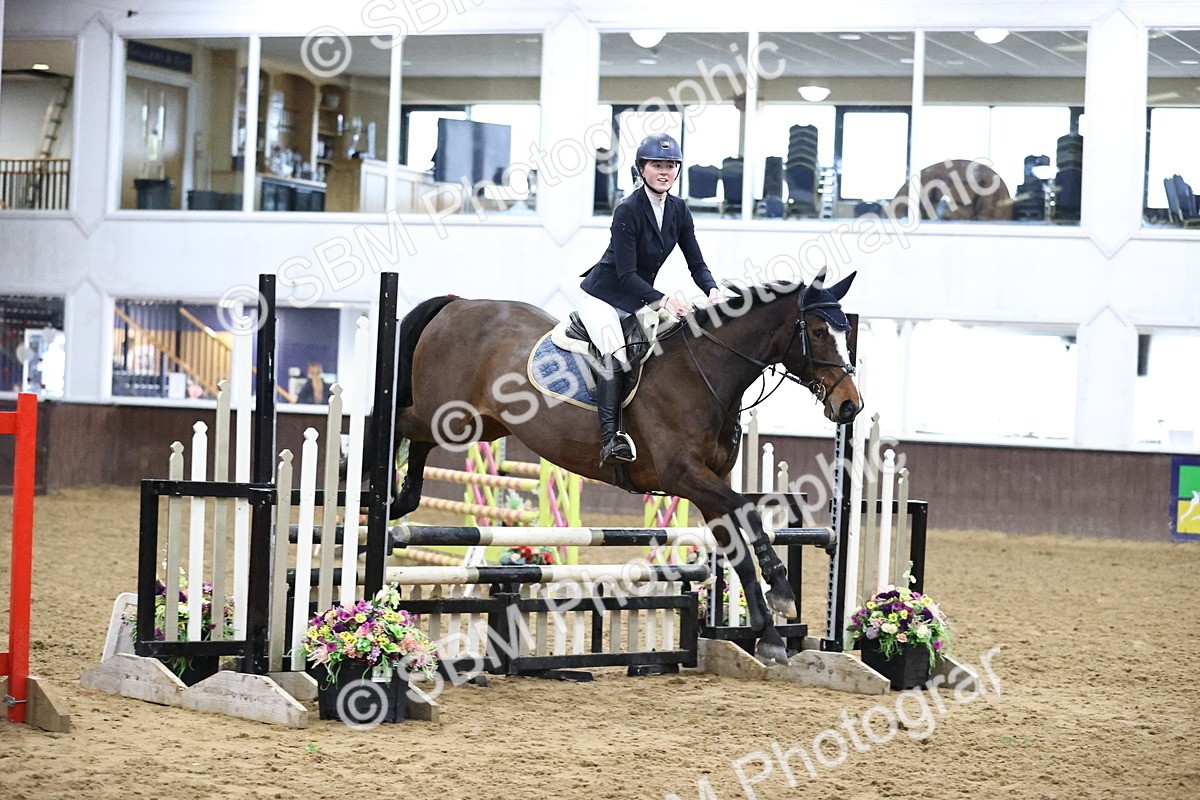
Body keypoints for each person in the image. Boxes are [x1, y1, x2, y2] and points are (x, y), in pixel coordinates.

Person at [578, 132, 721, 467]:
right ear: (641, 169)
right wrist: (664, 300)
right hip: (603, 296)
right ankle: (610, 439)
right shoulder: (627, 210)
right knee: (615, 349)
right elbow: (626, 275)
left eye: (671, 165)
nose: (665, 171)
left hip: (638, 299)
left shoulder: (679, 210)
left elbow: (695, 262)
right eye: (657, 165)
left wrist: (711, 289)